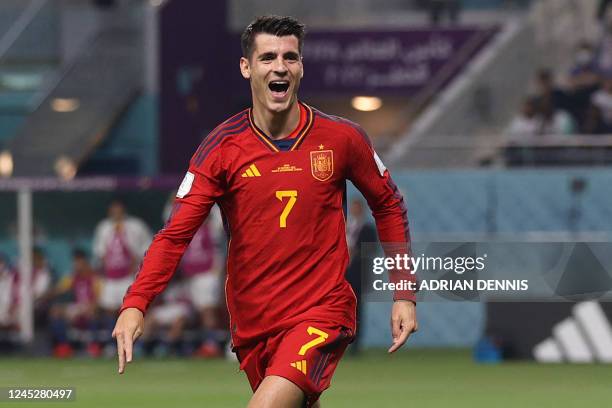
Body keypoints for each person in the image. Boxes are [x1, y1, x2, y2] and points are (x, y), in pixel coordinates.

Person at [113, 16, 417, 408]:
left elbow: (388, 203)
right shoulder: (221, 149)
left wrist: (404, 292)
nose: (280, 66)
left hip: (320, 311)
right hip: (254, 323)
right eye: (268, 57)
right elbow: (175, 235)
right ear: (247, 67)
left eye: (290, 57)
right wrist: (136, 303)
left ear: (301, 67)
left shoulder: (342, 138)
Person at [49, 249, 101, 357]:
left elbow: (99, 298)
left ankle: (94, 346)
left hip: (90, 307)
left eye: (79, 263)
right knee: (55, 311)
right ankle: (63, 346)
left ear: (85, 263)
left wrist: (90, 306)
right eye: (75, 263)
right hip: (77, 307)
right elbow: (59, 289)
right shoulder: (72, 277)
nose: (76, 266)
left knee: (92, 311)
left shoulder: (94, 278)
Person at [345, 198, 378, 355]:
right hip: (341, 275)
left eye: (357, 207)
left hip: (358, 274)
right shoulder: (344, 226)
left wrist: (355, 252)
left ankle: (356, 345)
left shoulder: (368, 229)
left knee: (357, 309)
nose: (355, 210)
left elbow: (371, 250)